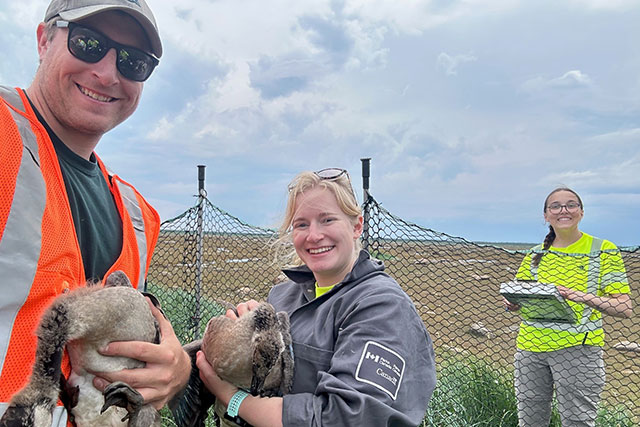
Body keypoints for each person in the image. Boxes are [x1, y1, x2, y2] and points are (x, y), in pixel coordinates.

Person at [0, 0, 190, 424]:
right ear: (43, 39)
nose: (107, 73)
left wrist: (176, 369)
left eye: (133, 61)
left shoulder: (139, 216)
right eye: (89, 43)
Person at [195, 168, 437, 426]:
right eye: (301, 224)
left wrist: (232, 398)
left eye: (327, 220)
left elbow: (344, 417)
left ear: (356, 226)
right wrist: (240, 338)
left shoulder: (382, 307)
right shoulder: (283, 295)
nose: (313, 235)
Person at [503, 187, 632, 427]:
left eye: (571, 205)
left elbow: (624, 308)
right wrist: (513, 303)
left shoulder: (602, 249)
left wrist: (581, 297)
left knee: (578, 422)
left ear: (581, 212)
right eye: (556, 206)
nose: (564, 210)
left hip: (578, 350)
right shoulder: (534, 254)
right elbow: (521, 300)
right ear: (546, 216)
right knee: (529, 423)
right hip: (530, 349)